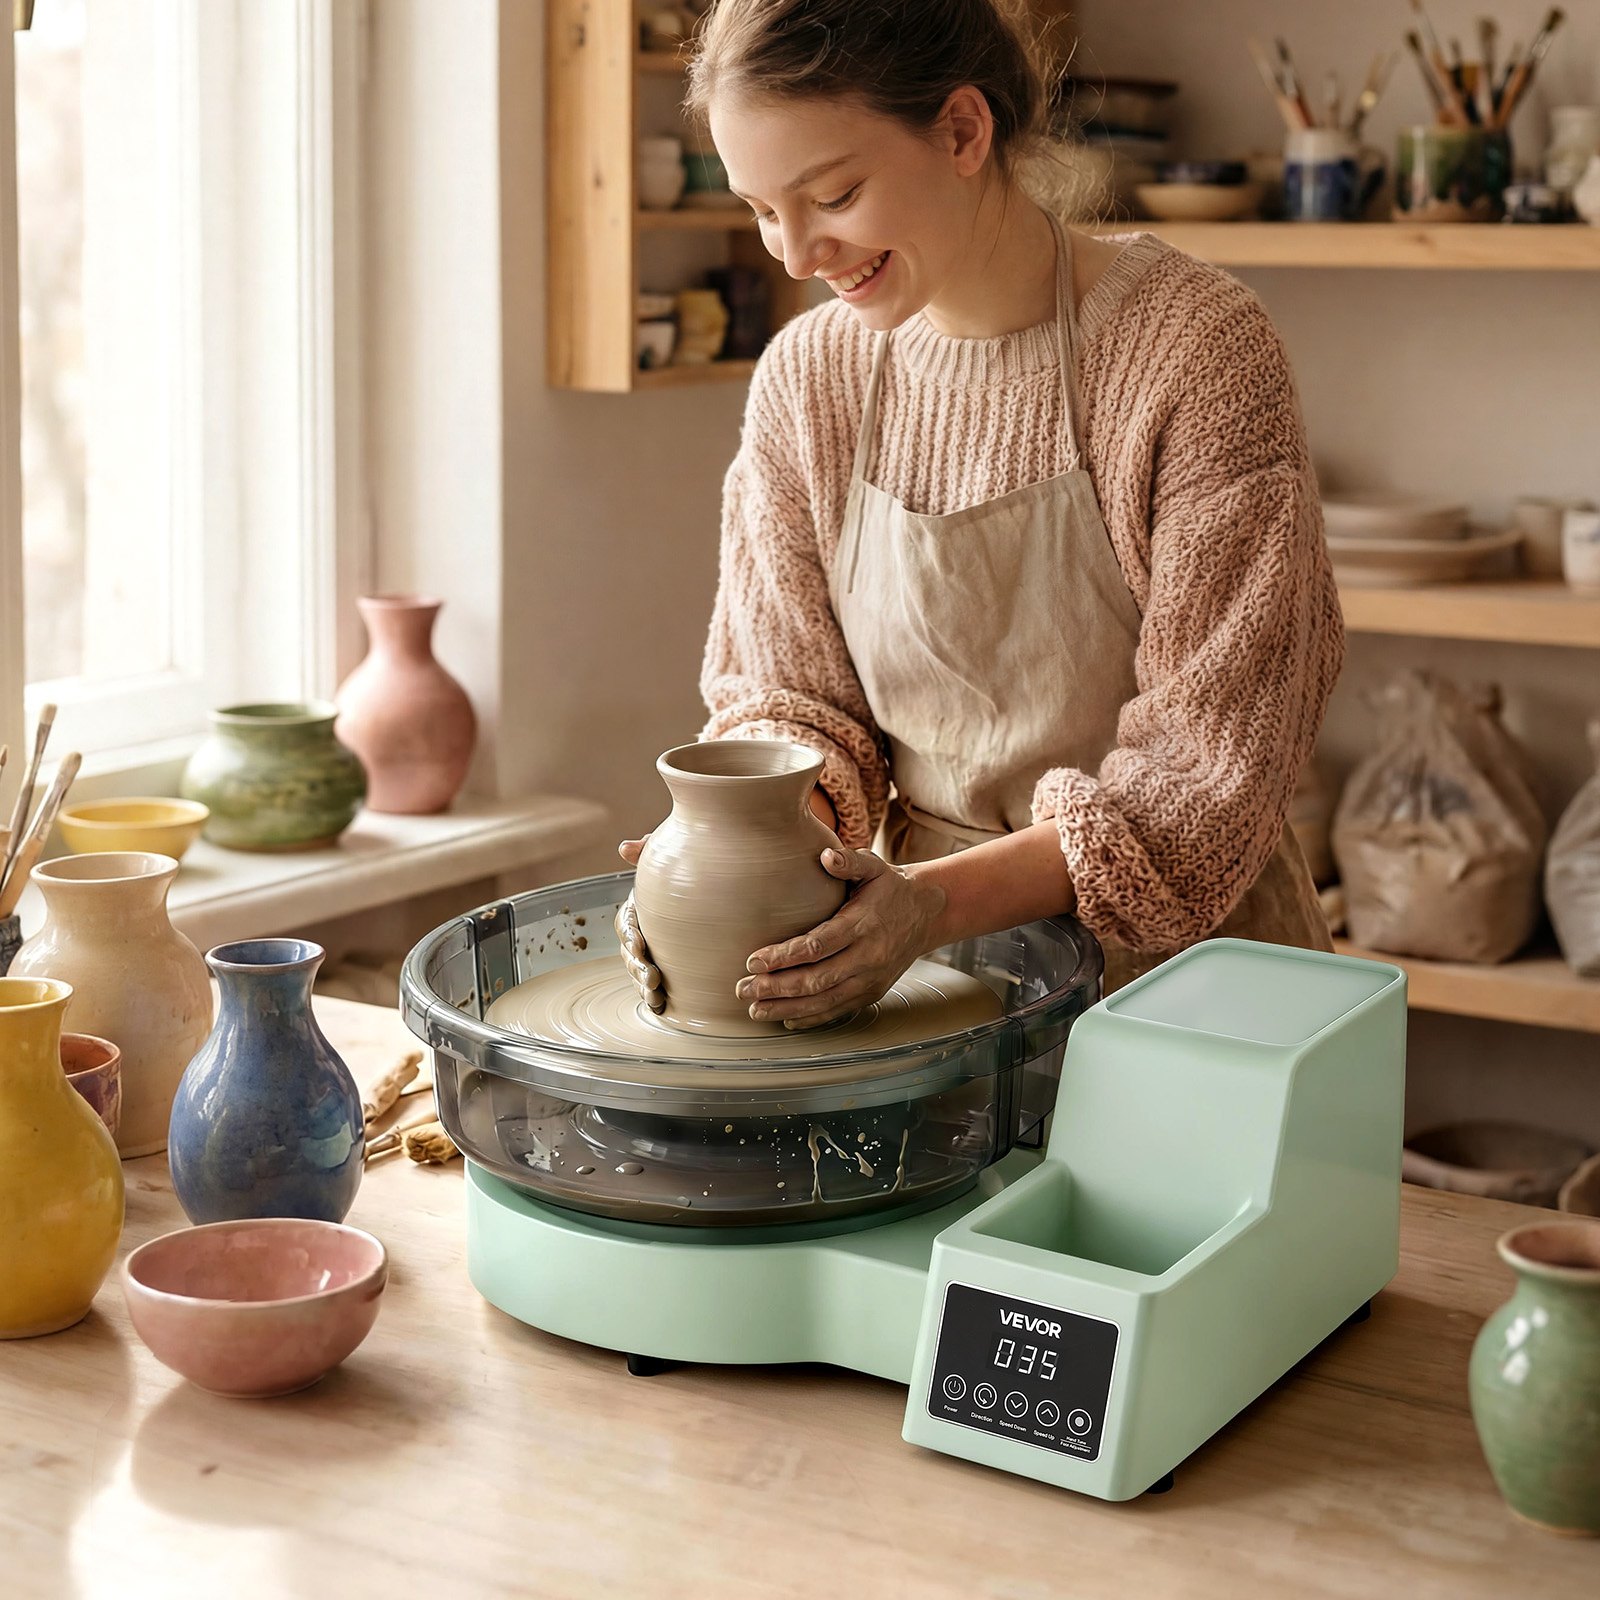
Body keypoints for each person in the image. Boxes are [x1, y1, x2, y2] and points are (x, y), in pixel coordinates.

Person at [619, 0, 1341, 1029]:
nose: (797, 255)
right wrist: (737, 848)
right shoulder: (808, 379)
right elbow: (794, 699)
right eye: (762, 210)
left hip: (1194, 990)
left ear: (962, 131)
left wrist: (932, 906)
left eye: (833, 195)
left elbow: (1205, 772)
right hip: (923, 983)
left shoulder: (1193, 352)